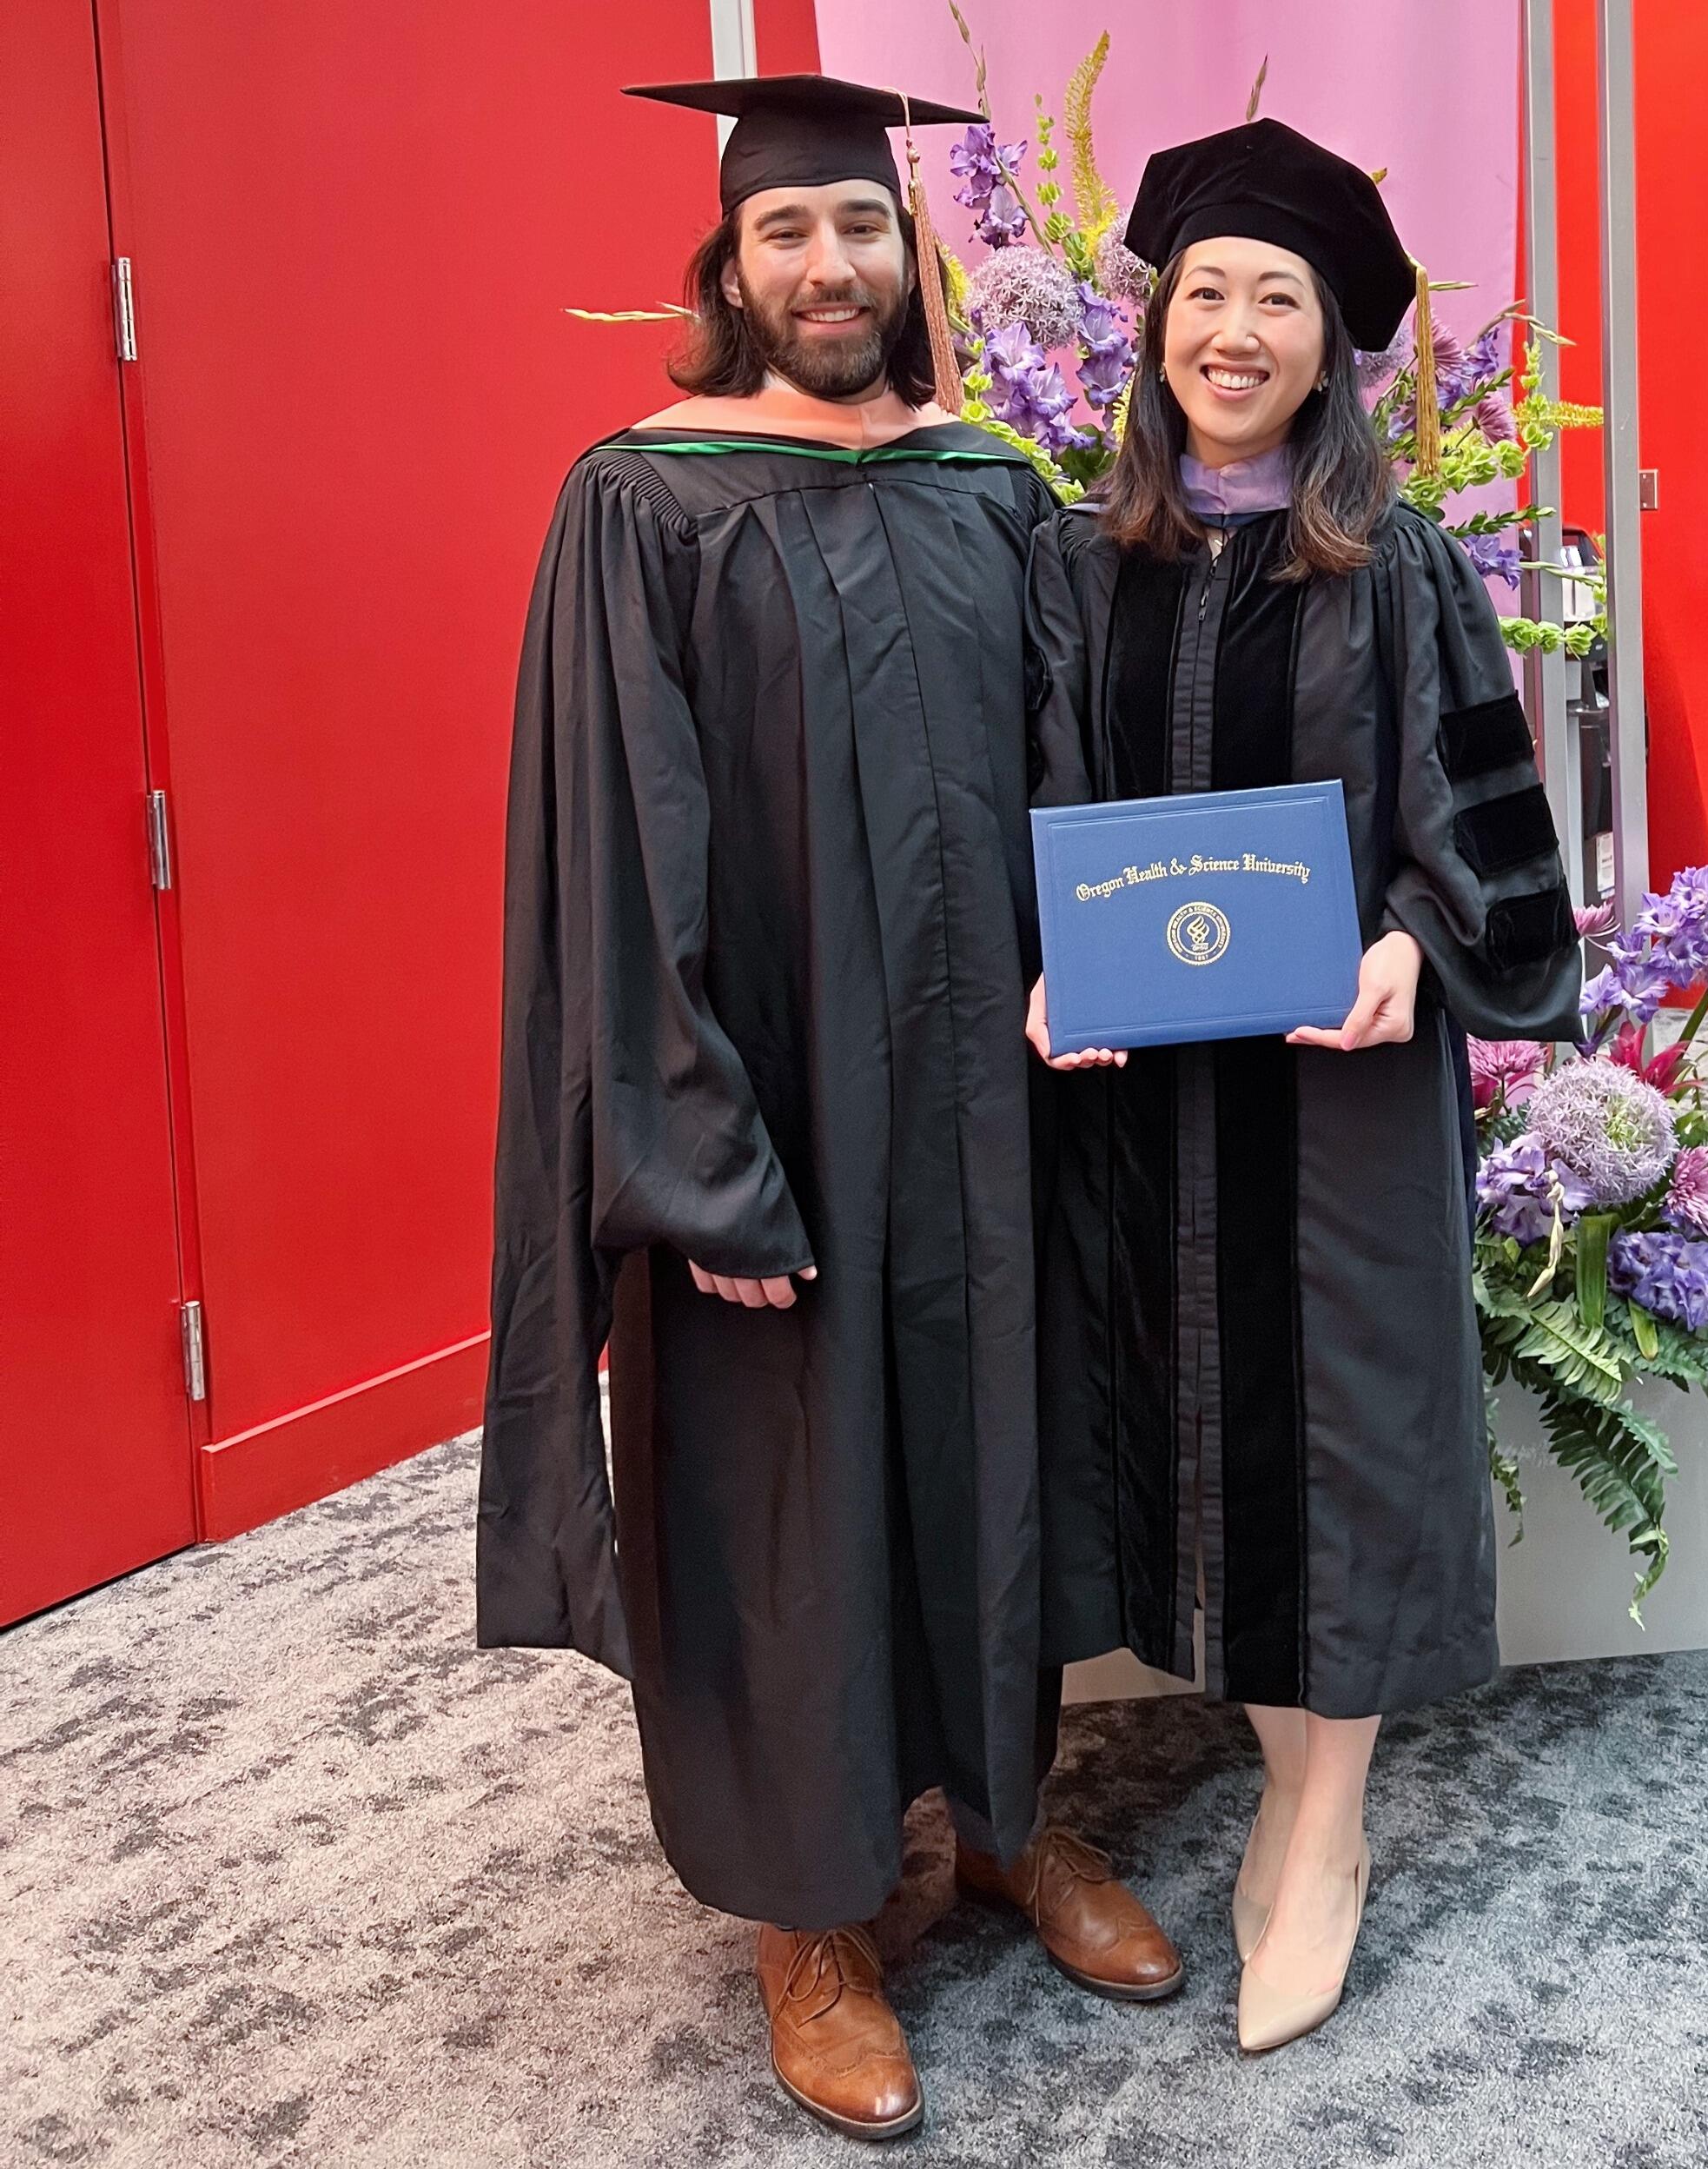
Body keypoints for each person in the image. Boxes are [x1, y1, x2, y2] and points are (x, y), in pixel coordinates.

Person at [480, 74, 1180, 2146]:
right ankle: (806, 1912)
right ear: (729, 266)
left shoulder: (983, 489)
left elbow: (1072, 761)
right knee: (781, 1488)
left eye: (860, 231)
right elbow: (618, 856)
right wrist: (694, 1163)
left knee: (994, 1442)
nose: (829, 268)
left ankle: (989, 1816)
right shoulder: (647, 499)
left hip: (983, 1096)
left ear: (908, 255)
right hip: (769, 1107)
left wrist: (1107, 960)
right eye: (787, 235)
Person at [1024, 118, 1582, 2054]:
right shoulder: (1069, 571)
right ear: (1156, 326)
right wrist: (1042, 967)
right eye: (1205, 292)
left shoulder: (1394, 564)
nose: (1234, 327)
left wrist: (1413, 947)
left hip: (1328, 1099)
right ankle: (1284, 1782)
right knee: (1191, 1451)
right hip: (1141, 1107)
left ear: (1330, 341)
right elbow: (1035, 813)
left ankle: (1322, 1825)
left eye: (1277, 296)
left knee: (1331, 1451)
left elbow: (1481, 830)